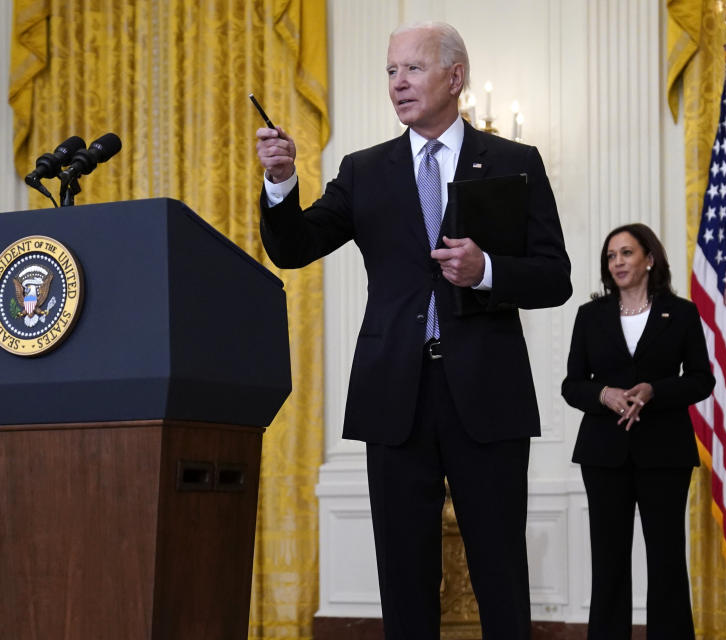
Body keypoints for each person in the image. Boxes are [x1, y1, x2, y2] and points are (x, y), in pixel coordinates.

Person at [255, 21, 571, 639]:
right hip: (394, 392)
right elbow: (293, 247)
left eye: (413, 69)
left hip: (487, 392)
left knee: (500, 571)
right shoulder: (364, 170)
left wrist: (486, 272)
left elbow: (554, 277)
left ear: (456, 77)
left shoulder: (513, 161)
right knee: (403, 575)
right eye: (391, 71)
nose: (398, 83)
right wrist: (281, 182)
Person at [561, 223, 714, 639]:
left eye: (626, 253)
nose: (617, 263)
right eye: (611, 256)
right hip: (603, 454)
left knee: (666, 560)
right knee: (608, 562)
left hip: (665, 453)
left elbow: (702, 379)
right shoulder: (589, 316)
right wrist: (605, 394)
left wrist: (654, 391)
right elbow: (572, 385)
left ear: (649, 259)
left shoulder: (681, 313)